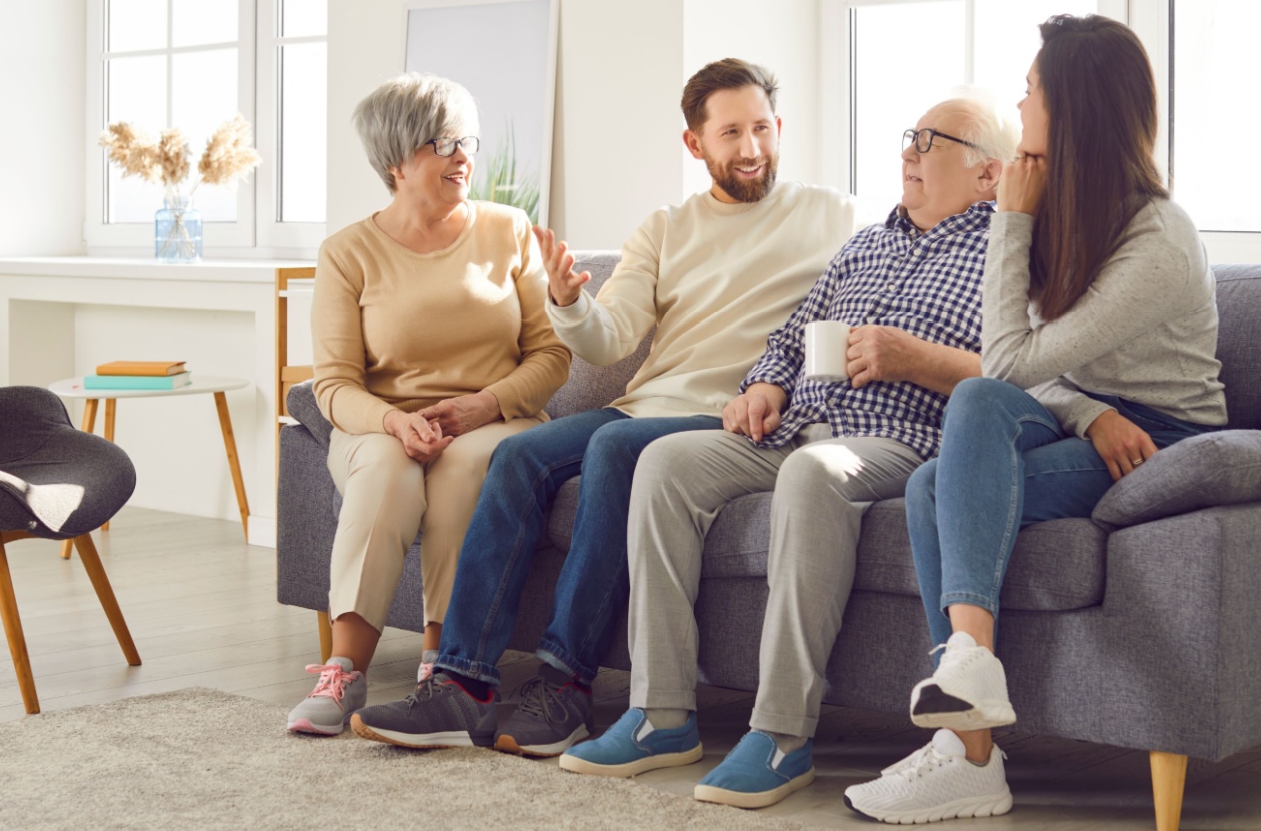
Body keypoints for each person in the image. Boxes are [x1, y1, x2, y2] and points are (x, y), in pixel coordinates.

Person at [349, 58, 856, 753]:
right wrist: (566, 300)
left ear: (779, 129)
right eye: (731, 132)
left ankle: (564, 686)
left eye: (762, 129)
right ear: (695, 144)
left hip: (739, 418)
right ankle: (461, 685)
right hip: (647, 406)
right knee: (520, 453)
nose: (750, 149)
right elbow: (608, 336)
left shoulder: (835, 217)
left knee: (617, 450)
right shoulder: (665, 230)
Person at [559, 96, 1017, 803]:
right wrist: (765, 385)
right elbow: (789, 337)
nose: (908, 154)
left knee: (812, 473)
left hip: (899, 439)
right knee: (664, 463)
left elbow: (1019, 373)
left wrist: (912, 357)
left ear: (988, 175)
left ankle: (780, 734)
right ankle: (662, 715)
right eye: (908, 139)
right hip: (794, 426)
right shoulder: (867, 242)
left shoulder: (1010, 255)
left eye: (931, 142)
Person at [845, 15, 1228, 824]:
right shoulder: (1055, 209)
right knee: (934, 477)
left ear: (1074, 111)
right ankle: (970, 723)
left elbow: (1014, 361)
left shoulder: (1159, 238)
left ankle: (967, 742)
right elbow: (1011, 368)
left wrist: (1011, 221)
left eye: (1030, 94)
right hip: (1087, 422)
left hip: (1161, 435)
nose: (1020, 109)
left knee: (933, 484)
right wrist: (1087, 413)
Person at [287, 74, 571, 736]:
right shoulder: (347, 253)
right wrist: (392, 421)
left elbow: (552, 356)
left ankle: (443, 668)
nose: (462, 155)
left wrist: (484, 405)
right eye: (442, 143)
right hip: (380, 423)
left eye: (466, 139)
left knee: (465, 467)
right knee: (387, 471)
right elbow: (331, 384)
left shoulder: (509, 231)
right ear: (396, 163)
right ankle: (343, 671)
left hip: (497, 418)